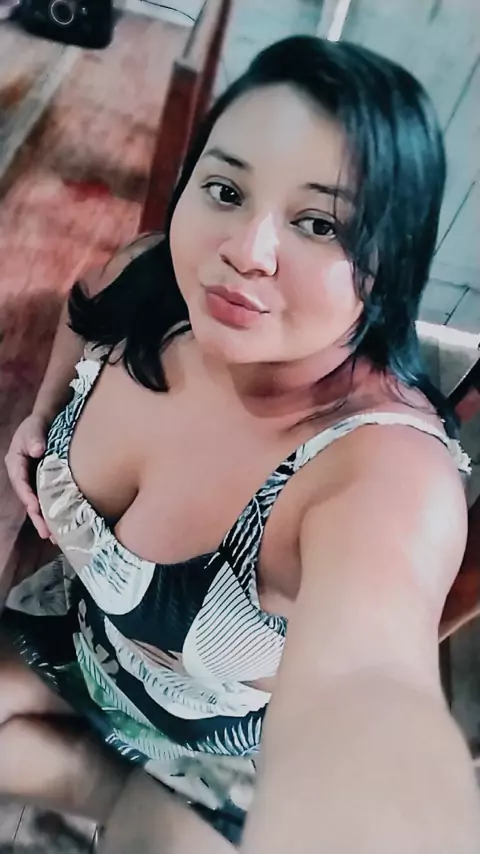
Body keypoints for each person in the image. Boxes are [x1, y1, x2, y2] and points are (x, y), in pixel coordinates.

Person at [1, 34, 479, 854]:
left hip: (216, 762)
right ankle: (105, 782)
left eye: (318, 223)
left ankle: (137, 801)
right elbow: (85, 306)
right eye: (225, 189)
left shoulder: (382, 473)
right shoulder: (153, 278)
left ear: (390, 262)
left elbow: (368, 682)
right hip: (81, 644)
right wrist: (43, 411)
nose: (245, 252)